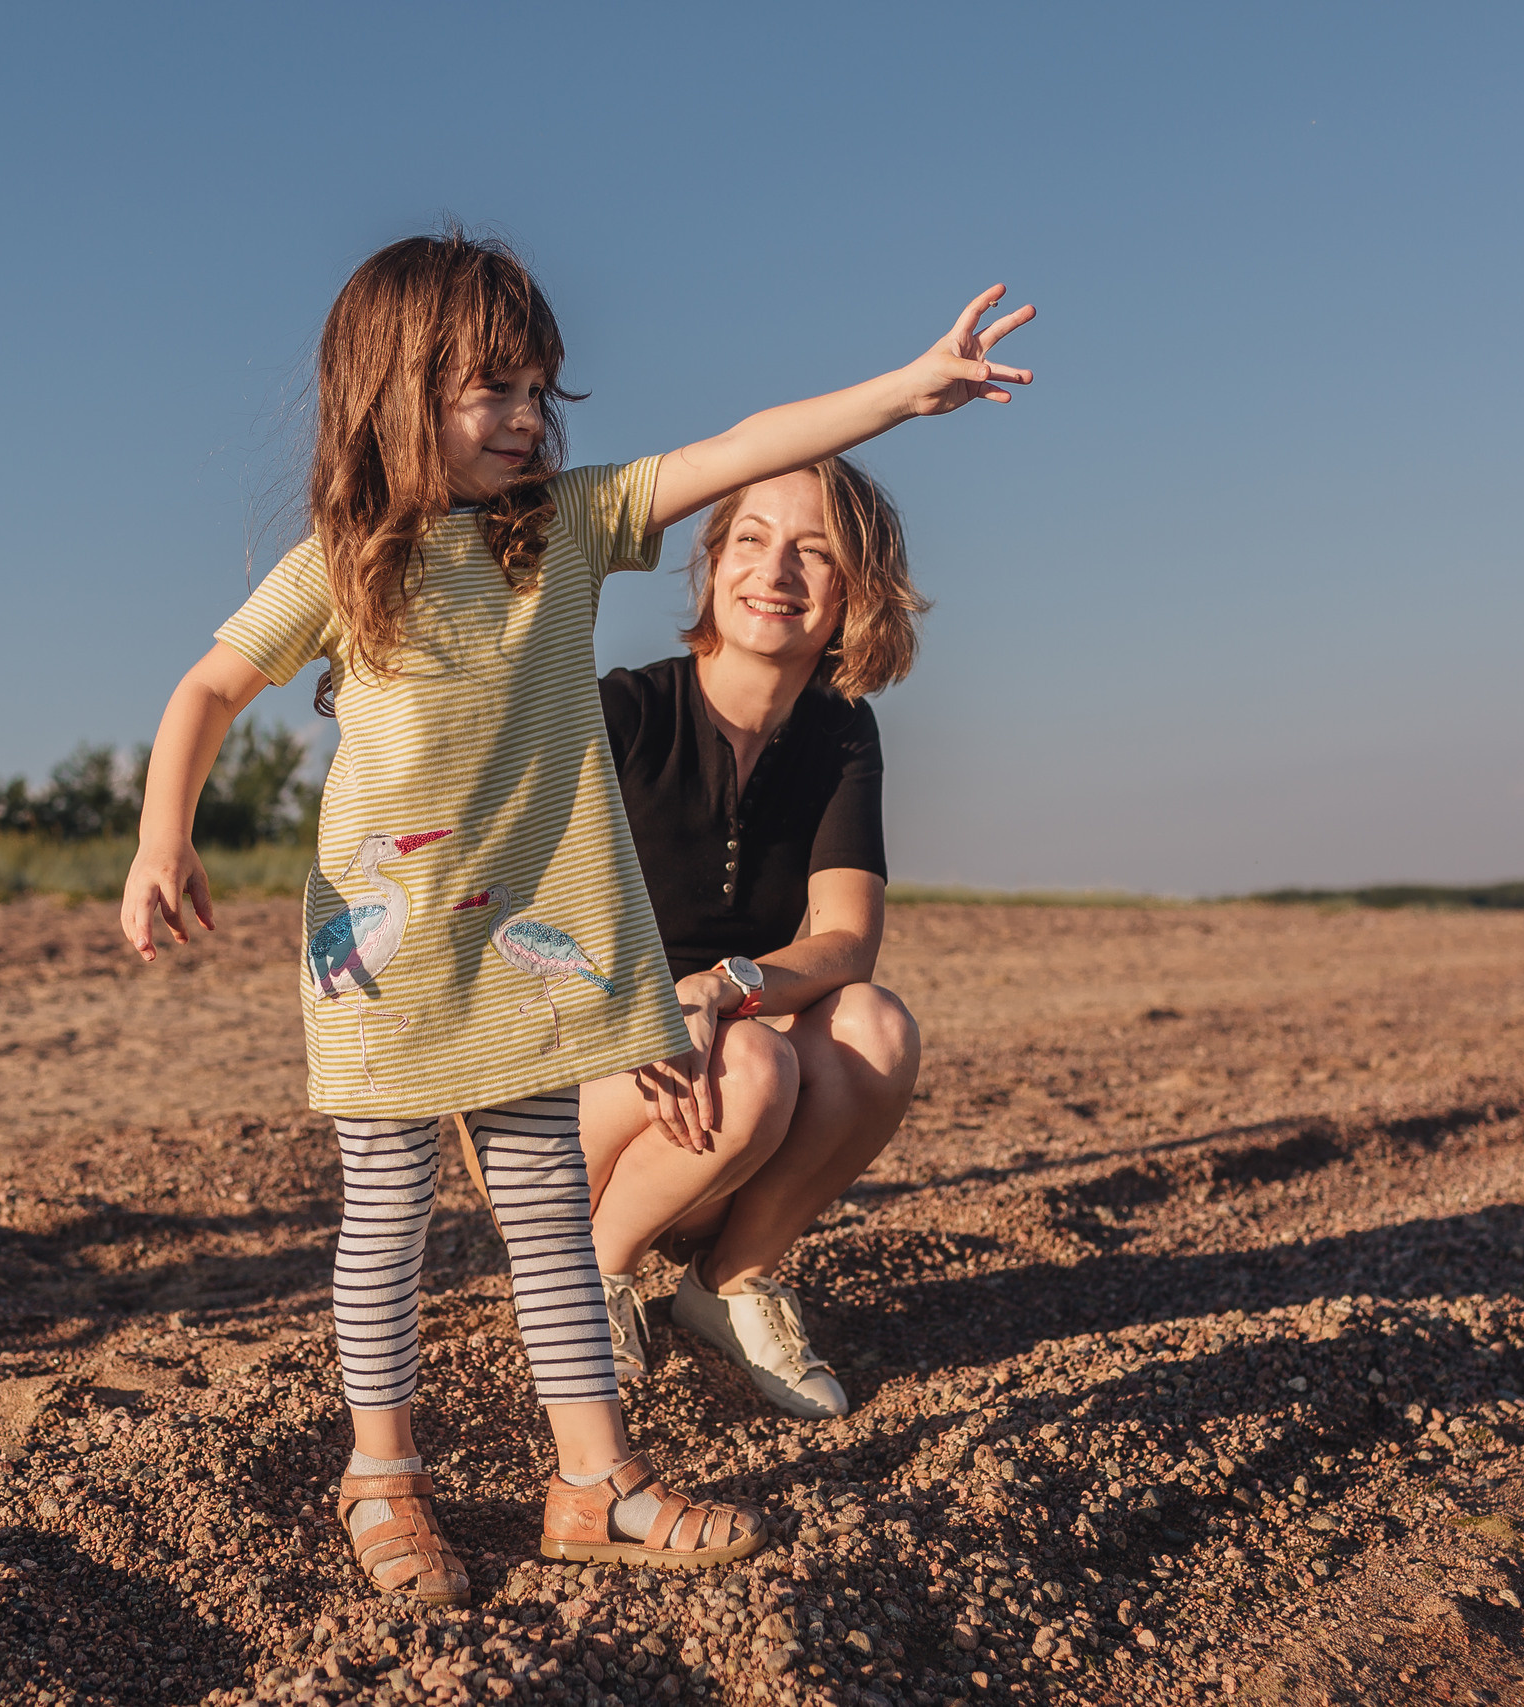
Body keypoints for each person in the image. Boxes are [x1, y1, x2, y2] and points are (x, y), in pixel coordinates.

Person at [119, 229, 1034, 1605]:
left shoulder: (568, 530)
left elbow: (741, 443)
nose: (530, 417)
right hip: (380, 961)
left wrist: (901, 392)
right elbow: (205, 689)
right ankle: (382, 1474)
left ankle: (594, 1478)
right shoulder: (342, 563)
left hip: (533, 960)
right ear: (392, 388)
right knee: (384, 1217)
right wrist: (159, 834)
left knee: (550, 1218)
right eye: (494, 387)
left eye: (544, 389)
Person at [588, 456, 924, 1420]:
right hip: (569, 1079)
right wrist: (649, 1015)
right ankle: (584, 1284)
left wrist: (720, 988)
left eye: (813, 552)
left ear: (855, 590)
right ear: (712, 561)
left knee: (877, 1028)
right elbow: (521, 933)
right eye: (750, 540)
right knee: (759, 1071)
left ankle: (726, 1286)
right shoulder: (623, 713)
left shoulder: (842, 732)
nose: (775, 572)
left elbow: (847, 943)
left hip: (716, 1080)